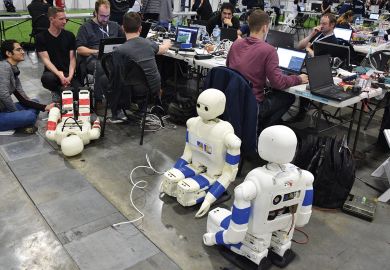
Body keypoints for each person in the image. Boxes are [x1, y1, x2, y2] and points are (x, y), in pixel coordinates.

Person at [226, 10, 308, 134]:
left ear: (249, 25)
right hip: (253, 105)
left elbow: (229, 68)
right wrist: (299, 79)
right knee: (288, 96)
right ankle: (262, 130)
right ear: (265, 28)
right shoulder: (269, 50)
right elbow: (278, 83)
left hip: (232, 100)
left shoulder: (236, 44)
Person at [110, 12, 171, 119]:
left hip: (132, 94)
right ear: (140, 28)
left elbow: (116, 78)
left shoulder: (120, 51)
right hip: (153, 91)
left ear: (123, 28)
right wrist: (168, 42)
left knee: (110, 79)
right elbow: (163, 49)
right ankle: (142, 110)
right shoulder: (149, 44)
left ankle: (117, 113)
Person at [76, 0, 123, 109]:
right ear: (95, 13)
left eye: (107, 16)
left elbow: (124, 40)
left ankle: (123, 97)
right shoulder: (85, 27)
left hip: (112, 57)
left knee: (126, 62)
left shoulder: (114, 26)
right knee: (101, 64)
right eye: (102, 16)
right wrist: (96, 52)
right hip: (92, 57)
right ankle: (98, 99)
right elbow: (79, 49)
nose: (105, 19)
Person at [0, 40, 55, 133]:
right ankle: (21, 122)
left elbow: (23, 98)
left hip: (3, 108)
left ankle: (19, 123)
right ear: (9, 53)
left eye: (22, 49)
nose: (23, 52)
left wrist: (45, 107)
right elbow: (3, 94)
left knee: (35, 102)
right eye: (19, 50)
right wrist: (16, 113)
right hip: (3, 109)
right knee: (29, 116)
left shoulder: (13, 69)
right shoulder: (3, 67)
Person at [36, 6, 80, 102]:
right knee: (47, 79)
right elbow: (46, 60)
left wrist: (70, 76)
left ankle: (64, 91)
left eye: (65, 18)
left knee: (80, 94)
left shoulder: (70, 35)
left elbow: (72, 59)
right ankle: (59, 92)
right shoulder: (41, 37)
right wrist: (59, 75)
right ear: (51, 19)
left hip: (68, 72)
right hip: (52, 73)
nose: (65, 21)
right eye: (61, 19)